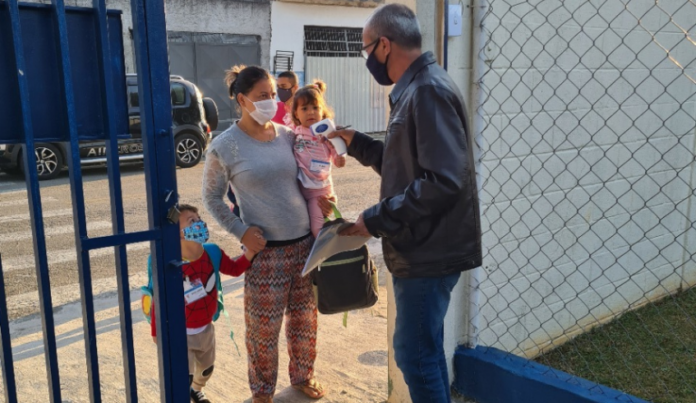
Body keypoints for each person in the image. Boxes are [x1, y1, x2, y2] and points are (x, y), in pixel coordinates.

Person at [326, 4, 481, 403]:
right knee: (419, 352)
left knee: (415, 356)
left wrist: (374, 220)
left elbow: (443, 181)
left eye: (365, 51)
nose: (367, 61)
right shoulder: (416, 89)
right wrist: (356, 141)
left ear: (383, 45)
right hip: (423, 245)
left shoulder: (426, 90)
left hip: (428, 252)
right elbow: (406, 169)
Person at [202, 65, 326, 403]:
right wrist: (241, 232)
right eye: (263, 97)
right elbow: (211, 197)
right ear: (242, 100)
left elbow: (311, 175)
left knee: (304, 322)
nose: (272, 101)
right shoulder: (226, 146)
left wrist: (324, 201)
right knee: (262, 330)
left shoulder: (288, 135)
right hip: (265, 254)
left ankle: (302, 377)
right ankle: (261, 392)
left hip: (304, 246)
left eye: (274, 95)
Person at [150, 204, 255, 403]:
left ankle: (195, 390)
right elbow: (159, 300)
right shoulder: (171, 265)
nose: (199, 224)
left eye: (199, 219)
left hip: (206, 328)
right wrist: (156, 332)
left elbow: (233, 269)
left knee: (206, 369)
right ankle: (184, 393)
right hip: (181, 333)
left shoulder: (212, 253)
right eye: (192, 221)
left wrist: (250, 253)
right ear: (176, 234)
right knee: (184, 376)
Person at [291, 80, 346, 237]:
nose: (310, 112)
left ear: (322, 112)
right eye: (305, 108)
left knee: (317, 228)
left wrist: (339, 159)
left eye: (315, 108)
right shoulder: (293, 133)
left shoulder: (326, 133)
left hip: (320, 191)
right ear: (296, 113)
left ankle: (324, 256)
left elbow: (336, 153)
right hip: (299, 190)